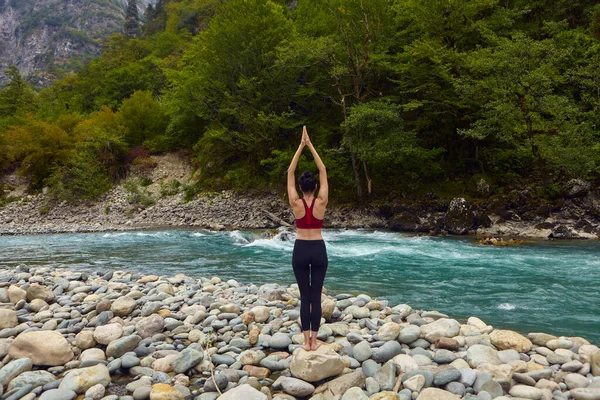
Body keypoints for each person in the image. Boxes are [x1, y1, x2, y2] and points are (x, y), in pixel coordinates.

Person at [287, 125, 328, 351]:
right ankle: (315, 339)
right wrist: (310, 146)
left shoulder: (296, 203)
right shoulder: (321, 202)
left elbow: (290, 173)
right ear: (314, 187)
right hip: (318, 249)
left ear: (301, 188)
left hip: (301, 249)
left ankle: (305, 342)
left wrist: (300, 147)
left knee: (305, 296)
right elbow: (322, 170)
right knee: (316, 296)